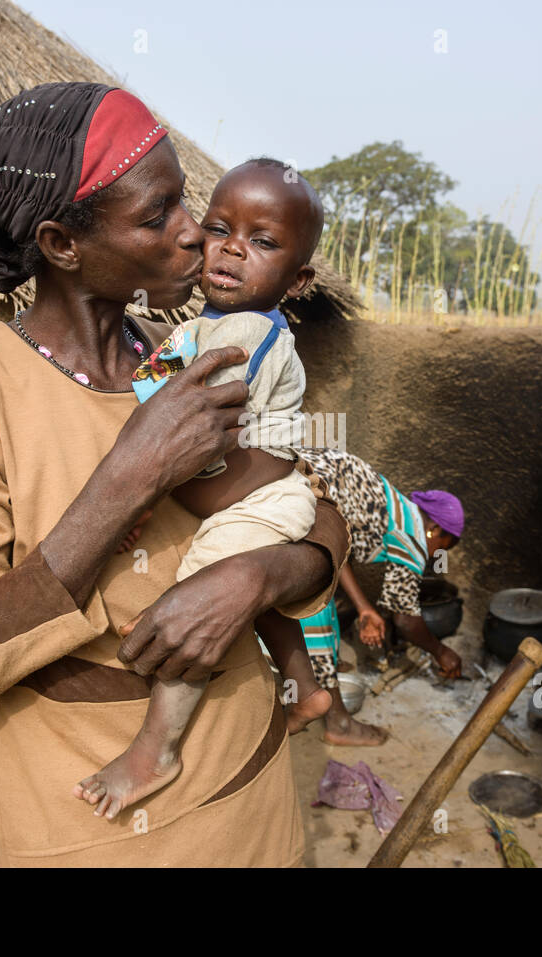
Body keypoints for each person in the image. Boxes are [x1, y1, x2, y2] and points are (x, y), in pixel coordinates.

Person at [0, 82, 349, 866]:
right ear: (63, 244)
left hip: (253, 799)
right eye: (156, 217)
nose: (193, 238)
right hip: (94, 830)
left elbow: (313, 503)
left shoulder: (202, 351)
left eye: (187, 207)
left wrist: (261, 575)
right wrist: (127, 476)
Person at [72, 158, 333, 820]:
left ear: (297, 279)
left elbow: (182, 431)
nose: (233, 248)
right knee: (262, 600)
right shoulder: (198, 329)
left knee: (203, 593)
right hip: (255, 498)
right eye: (219, 228)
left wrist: (138, 486)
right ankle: (305, 685)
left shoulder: (245, 333)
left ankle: (156, 747)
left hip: (260, 501)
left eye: (264, 242)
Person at [292, 448, 465, 746]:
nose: (438, 555)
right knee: (314, 600)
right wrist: (440, 651)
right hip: (298, 493)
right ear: (434, 529)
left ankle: (315, 672)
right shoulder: (412, 537)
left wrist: (363, 608)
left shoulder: (390, 500)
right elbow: (406, 620)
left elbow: (336, 548)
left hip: (292, 471)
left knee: (322, 584)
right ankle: (338, 722)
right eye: (444, 546)